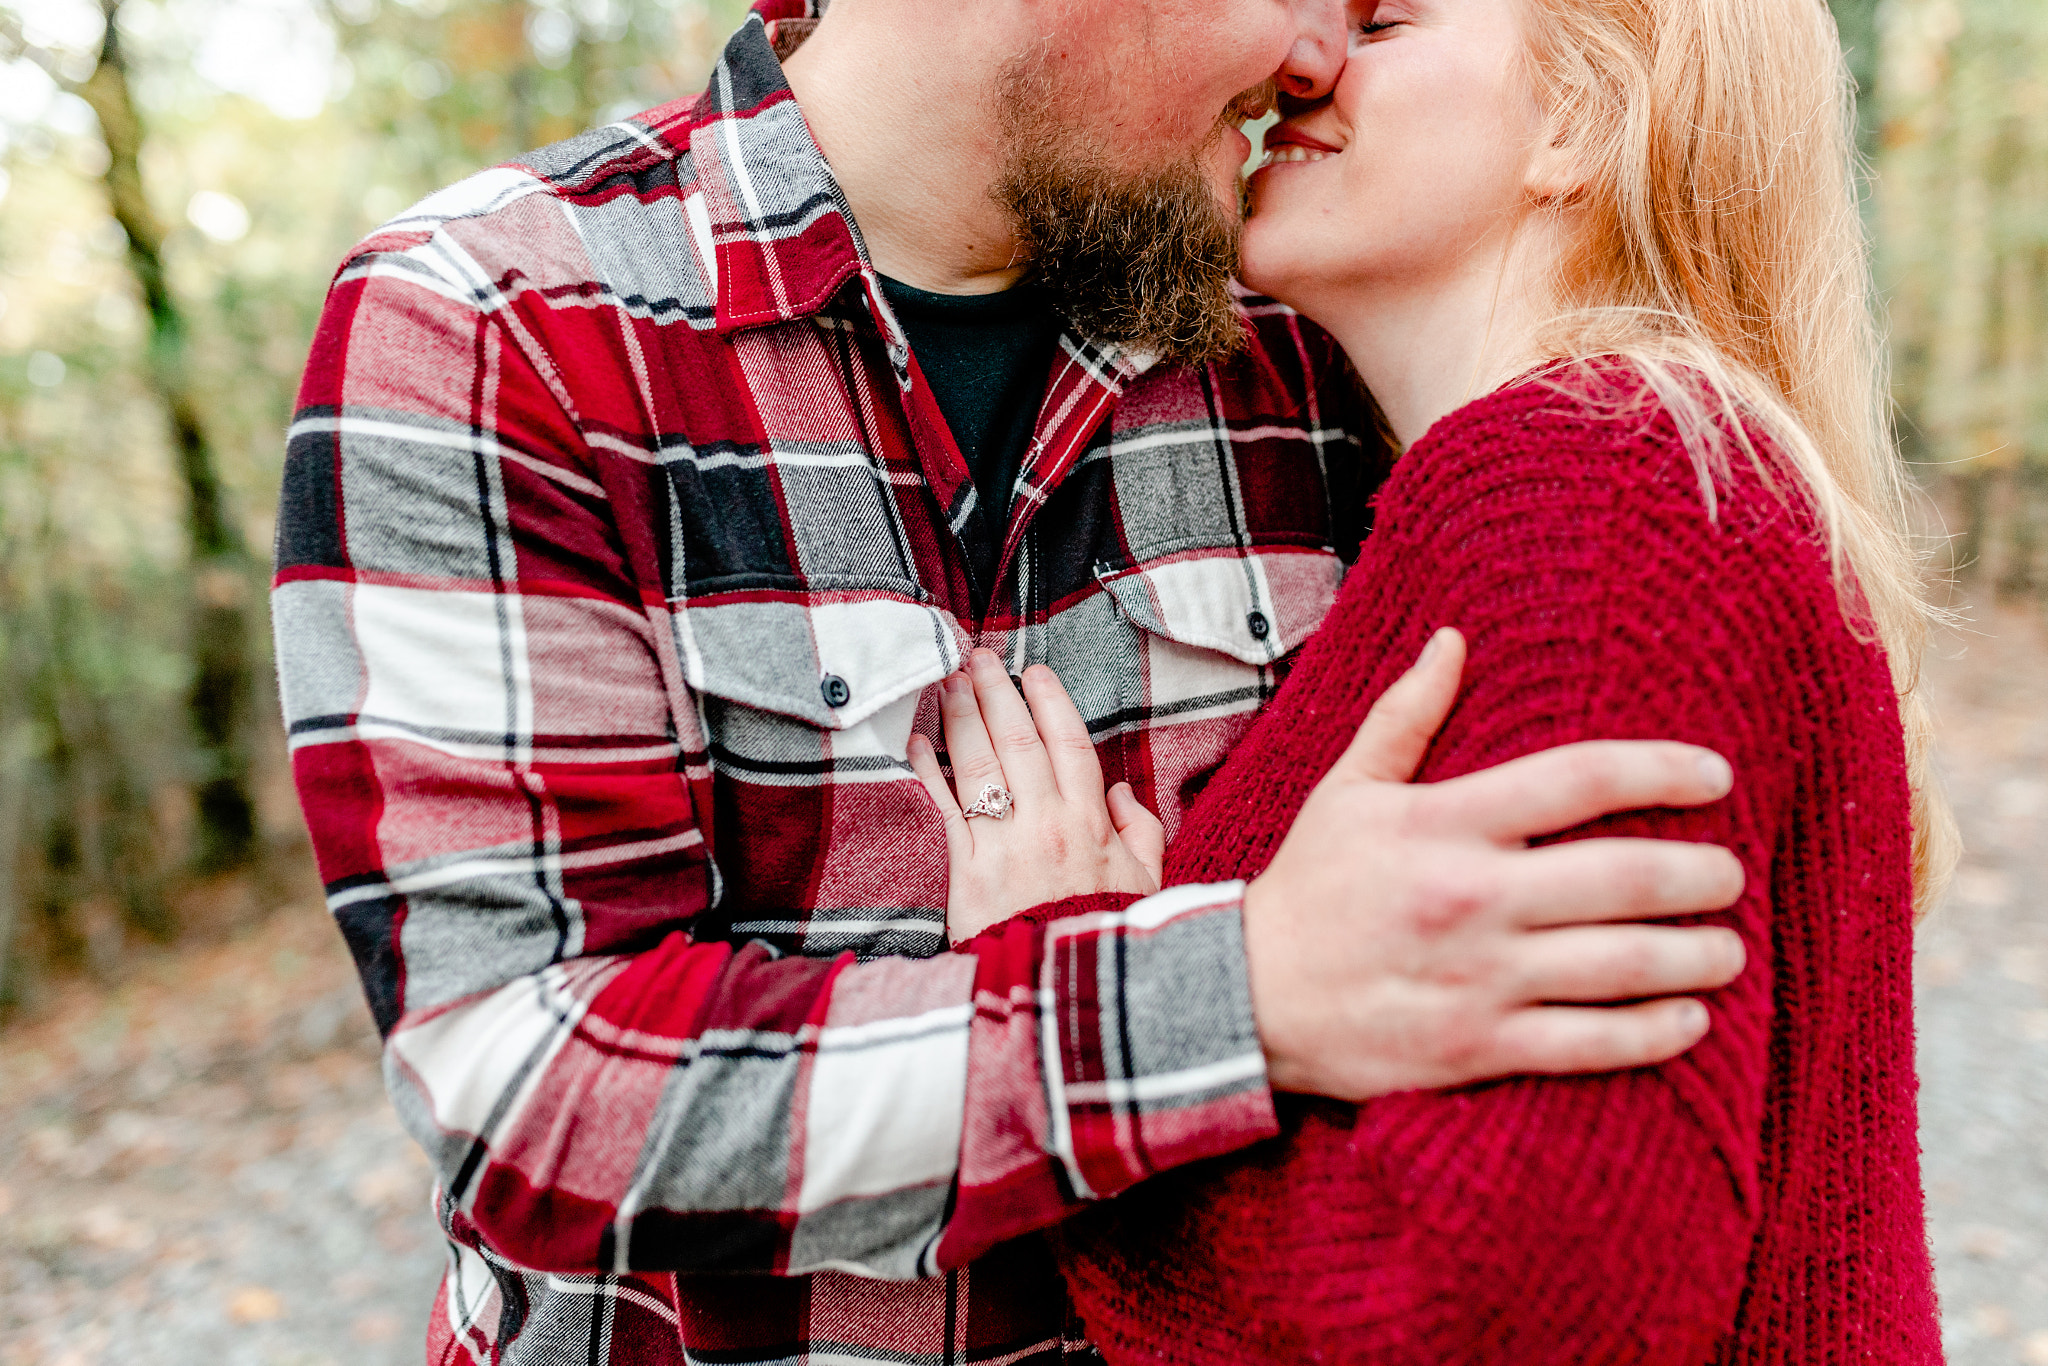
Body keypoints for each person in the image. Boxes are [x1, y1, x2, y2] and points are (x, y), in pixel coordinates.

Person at [272, 1, 1754, 1363]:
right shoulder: (496, 321)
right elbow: (540, 1095)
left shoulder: (1318, 339)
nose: (1318, 54)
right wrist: (1231, 991)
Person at [916, 0, 1962, 1361]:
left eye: (1385, 19)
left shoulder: (1596, 492)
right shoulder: (1588, 482)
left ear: (1582, 122)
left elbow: (1531, 1307)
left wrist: (1071, 1011)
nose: (1302, 58)